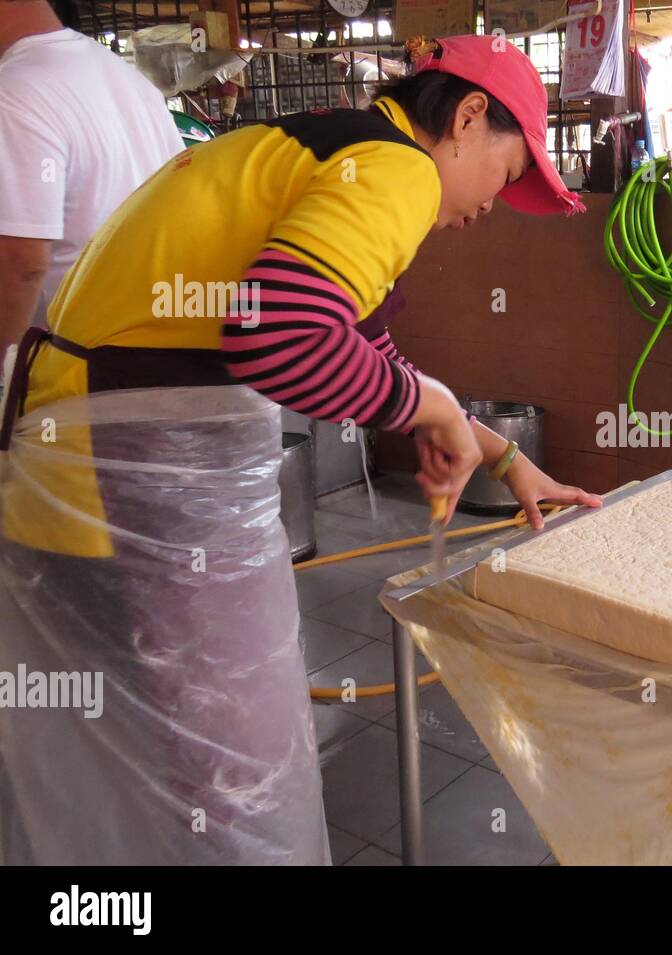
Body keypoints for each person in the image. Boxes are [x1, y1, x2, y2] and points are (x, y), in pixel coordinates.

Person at [0, 34, 601, 865]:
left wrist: (496, 452)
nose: (494, 204)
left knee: (135, 752)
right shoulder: (395, 170)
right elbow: (278, 334)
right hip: (133, 467)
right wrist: (429, 406)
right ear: (467, 118)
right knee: (233, 776)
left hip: (74, 455)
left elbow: (360, 345)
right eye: (506, 172)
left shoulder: (332, 143)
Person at [0, 1, 183, 346]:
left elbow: (20, 262)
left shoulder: (15, 90)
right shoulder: (125, 79)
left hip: (82, 369)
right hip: (159, 351)